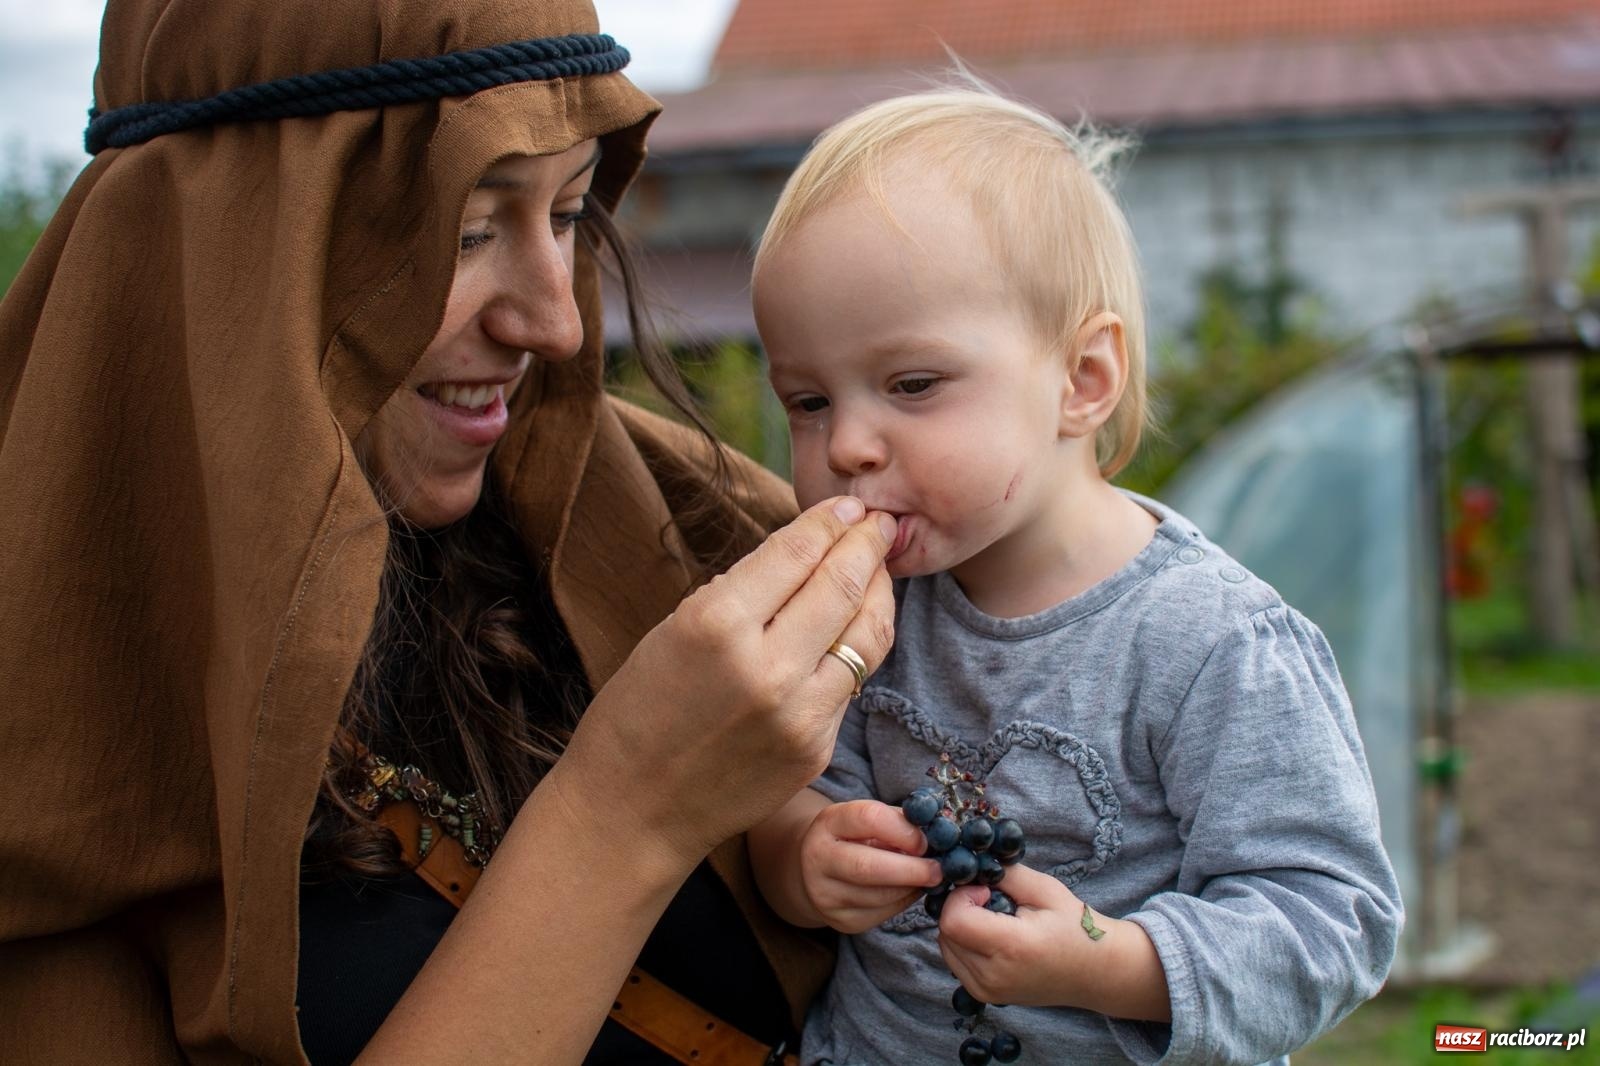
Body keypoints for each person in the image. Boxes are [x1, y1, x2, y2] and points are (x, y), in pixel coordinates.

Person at [0, 1, 900, 1062]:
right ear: (236, 248)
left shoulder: (672, 511)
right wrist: (627, 812)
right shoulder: (44, 724)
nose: (556, 323)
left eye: (566, 214)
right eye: (468, 230)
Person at [746, 85, 1405, 1066]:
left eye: (912, 384)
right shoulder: (860, 608)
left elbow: (1330, 921)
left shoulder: (1209, 641)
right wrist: (804, 855)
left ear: (1082, 380)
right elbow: (777, 797)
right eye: (807, 401)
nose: (846, 445)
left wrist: (1111, 962)